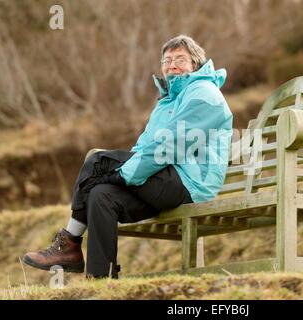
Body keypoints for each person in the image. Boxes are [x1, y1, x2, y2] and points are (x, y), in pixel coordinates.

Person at [21, 35, 233, 279]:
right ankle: (100, 278)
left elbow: (170, 147)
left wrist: (124, 174)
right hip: (165, 180)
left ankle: (69, 244)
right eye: (166, 60)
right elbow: (144, 147)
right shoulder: (167, 102)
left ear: (195, 64)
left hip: (189, 184)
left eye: (179, 59)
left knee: (98, 162)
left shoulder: (204, 94)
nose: (171, 65)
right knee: (101, 196)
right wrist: (122, 175)